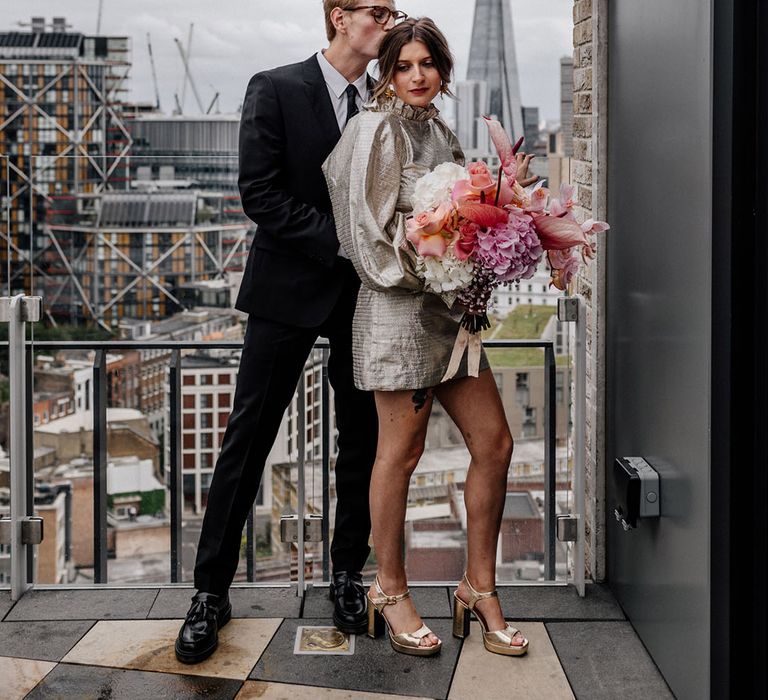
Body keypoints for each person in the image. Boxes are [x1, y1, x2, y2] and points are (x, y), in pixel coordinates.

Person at [175, 1, 408, 664]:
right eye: (377, 11)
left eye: (395, 11)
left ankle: (345, 578)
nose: (389, 23)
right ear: (339, 16)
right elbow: (260, 193)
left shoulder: (387, 102)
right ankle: (209, 596)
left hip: (366, 300)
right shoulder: (275, 87)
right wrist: (345, 243)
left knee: (363, 442)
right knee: (246, 441)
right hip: (286, 292)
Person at [323, 17, 534, 657]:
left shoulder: (439, 130)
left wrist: (475, 264)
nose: (418, 76)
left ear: (443, 71)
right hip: (394, 312)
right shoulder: (373, 128)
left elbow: (457, 224)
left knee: (494, 442)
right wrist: (438, 269)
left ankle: (479, 587)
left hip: (449, 316)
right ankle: (390, 590)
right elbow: (363, 233)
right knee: (402, 453)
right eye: (405, 65)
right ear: (387, 71)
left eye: (429, 64)